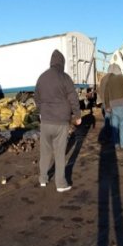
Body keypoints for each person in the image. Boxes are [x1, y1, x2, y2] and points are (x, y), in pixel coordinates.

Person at [34, 50, 82, 193]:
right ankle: (60, 183)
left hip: (46, 122)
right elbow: (73, 98)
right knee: (60, 153)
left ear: (51, 61)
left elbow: (37, 98)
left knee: (45, 152)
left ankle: (43, 179)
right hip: (61, 122)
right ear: (62, 63)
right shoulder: (65, 77)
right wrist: (77, 115)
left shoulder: (42, 77)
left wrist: (41, 111)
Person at [103, 64, 123, 150]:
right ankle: (122, 144)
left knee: (114, 125)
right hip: (122, 105)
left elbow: (106, 94)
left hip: (113, 105)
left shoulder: (109, 80)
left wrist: (108, 105)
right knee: (122, 124)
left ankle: (115, 144)